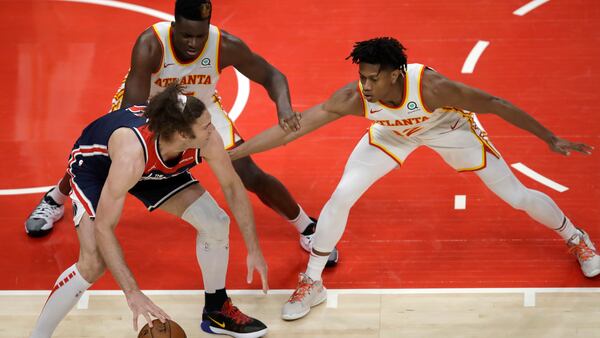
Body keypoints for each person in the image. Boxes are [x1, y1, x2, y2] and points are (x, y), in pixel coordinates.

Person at [229, 37, 600, 320]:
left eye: (374, 77)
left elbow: (496, 103)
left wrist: (549, 137)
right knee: (342, 194)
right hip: (392, 133)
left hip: (448, 129)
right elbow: (295, 128)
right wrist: (233, 154)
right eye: (362, 77)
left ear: (395, 74)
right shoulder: (356, 97)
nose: (367, 85)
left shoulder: (432, 87)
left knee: (516, 196)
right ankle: (313, 282)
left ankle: (575, 237)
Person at [24, 0, 338, 265]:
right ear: (173, 25)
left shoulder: (224, 45)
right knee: (103, 161)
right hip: (148, 108)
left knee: (249, 172)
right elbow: (131, 109)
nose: (192, 42)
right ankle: (56, 197)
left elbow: (272, 74)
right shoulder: (151, 44)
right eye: (186, 35)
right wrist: (146, 146)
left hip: (200, 109)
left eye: (199, 36)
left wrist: (283, 107)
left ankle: (307, 227)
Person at [30, 85, 268, 338]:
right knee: (94, 263)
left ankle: (216, 311)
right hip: (98, 168)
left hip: (153, 165)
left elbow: (232, 186)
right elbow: (103, 227)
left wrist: (253, 247)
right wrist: (133, 292)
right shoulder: (130, 155)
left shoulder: (207, 139)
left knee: (216, 222)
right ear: (182, 134)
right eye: (205, 126)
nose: (213, 129)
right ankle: (38, 336)